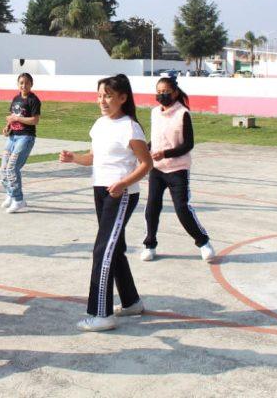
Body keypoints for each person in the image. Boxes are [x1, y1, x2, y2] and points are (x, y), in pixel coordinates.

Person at [59, 74, 152, 332]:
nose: (102, 100)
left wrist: (123, 183)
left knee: (102, 250)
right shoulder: (99, 124)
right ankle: (131, 302)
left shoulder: (130, 127)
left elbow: (146, 164)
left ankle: (102, 314)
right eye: (100, 95)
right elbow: (94, 157)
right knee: (114, 246)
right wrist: (74, 158)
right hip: (100, 189)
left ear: (123, 98)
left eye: (108, 95)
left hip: (120, 194)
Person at [140, 77, 215, 263]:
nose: (161, 95)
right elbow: (156, 139)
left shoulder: (183, 114)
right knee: (152, 208)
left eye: (165, 92)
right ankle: (150, 245)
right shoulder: (155, 113)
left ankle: (203, 242)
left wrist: (165, 153)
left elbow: (188, 145)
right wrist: (145, 149)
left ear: (174, 92)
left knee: (182, 209)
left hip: (177, 169)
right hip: (157, 170)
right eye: (158, 92)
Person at [0, 73, 41, 214]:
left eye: (27, 83)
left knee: (12, 167)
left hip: (25, 137)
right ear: (18, 84)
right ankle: (10, 194)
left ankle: (19, 200)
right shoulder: (15, 98)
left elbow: (35, 120)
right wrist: (8, 126)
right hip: (13, 137)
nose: (24, 85)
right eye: (21, 83)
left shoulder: (33, 100)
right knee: (3, 169)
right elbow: (12, 117)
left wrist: (17, 118)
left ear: (31, 84)